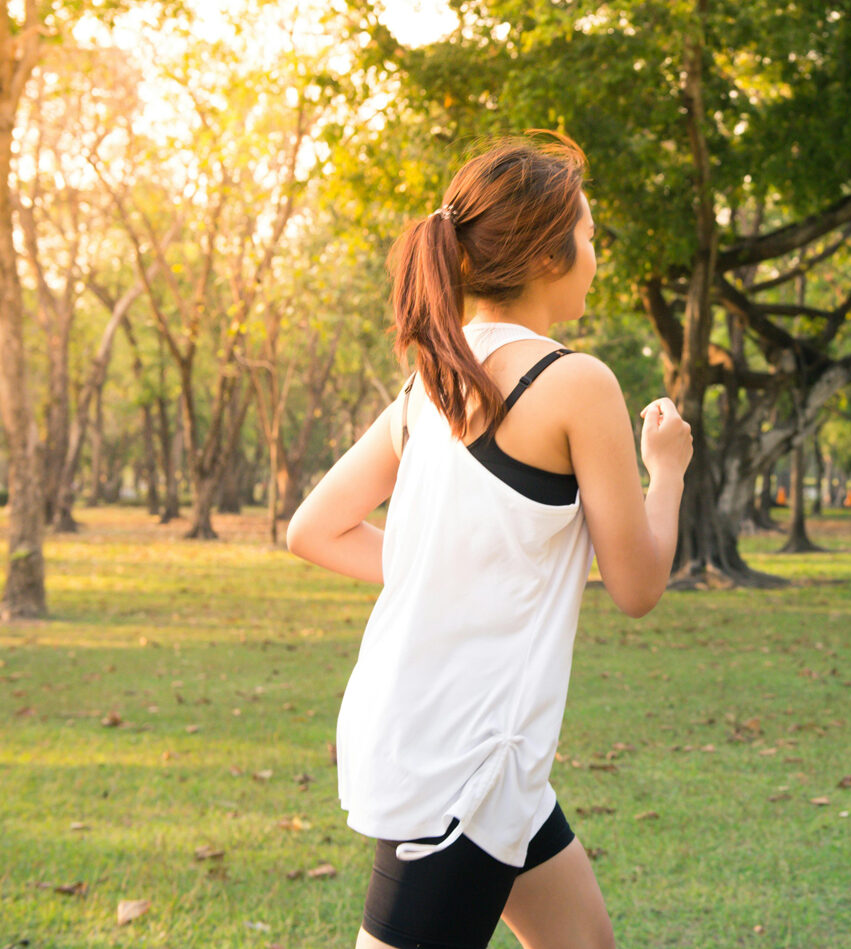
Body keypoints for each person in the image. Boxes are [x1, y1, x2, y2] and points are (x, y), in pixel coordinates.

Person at [286, 131, 692, 949]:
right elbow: (639, 584)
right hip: (461, 764)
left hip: (479, 752)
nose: (595, 255)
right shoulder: (576, 383)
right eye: (587, 236)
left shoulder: (431, 382)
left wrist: (442, 573)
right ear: (547, 253)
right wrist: (668, 468)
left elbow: (314, 528)